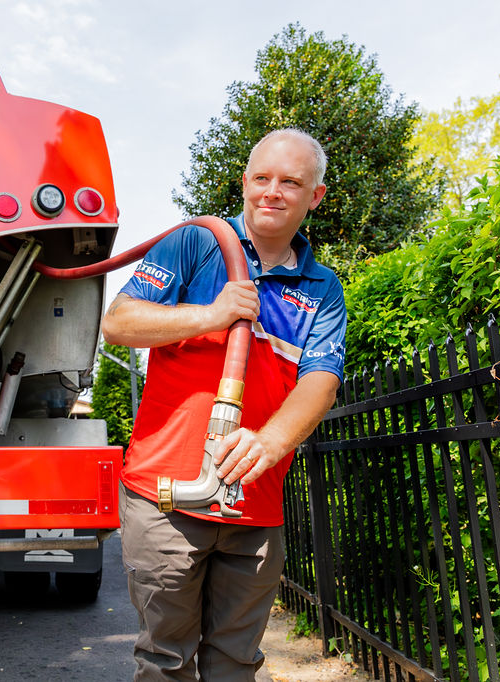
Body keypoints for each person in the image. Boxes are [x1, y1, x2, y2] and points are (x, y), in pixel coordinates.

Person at [101, 128, 347, 681]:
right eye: (262, 178)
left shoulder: (324, 288)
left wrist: (269, 441)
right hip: (165, 502)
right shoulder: (196, 244)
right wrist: (211, 314)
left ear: (316, 196)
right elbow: (119, 322)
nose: (272, 192)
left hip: (252, 509)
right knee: (165, 661)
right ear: (244, 183)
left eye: (291, 182)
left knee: (237, 664)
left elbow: (320, 382)